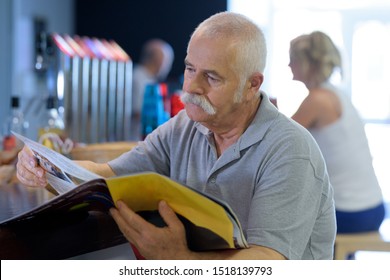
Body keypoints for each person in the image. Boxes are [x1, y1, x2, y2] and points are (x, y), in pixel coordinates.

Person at [16, 12, 336, 260]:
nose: (191, 88)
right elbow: (107, 174)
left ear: (252, 85)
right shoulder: (186, 125)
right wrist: (46, 166)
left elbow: (267, 263)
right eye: (190, 69)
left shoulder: (290, 149)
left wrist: (179, 260)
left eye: (211, 77)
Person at [288, 31, 385, 233]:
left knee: (283, 221)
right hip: (373, 207)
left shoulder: (317, 99)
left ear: (306, 64)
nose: (289, 65)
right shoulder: (335, 93)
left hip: (351, 212)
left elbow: (280, 140)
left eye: (292, 60)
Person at [131, 39, 174, 140]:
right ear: (159, 61)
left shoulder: (148, 79)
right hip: (134, 140)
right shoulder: (138, 79)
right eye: (168, 61)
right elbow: (138, 112)